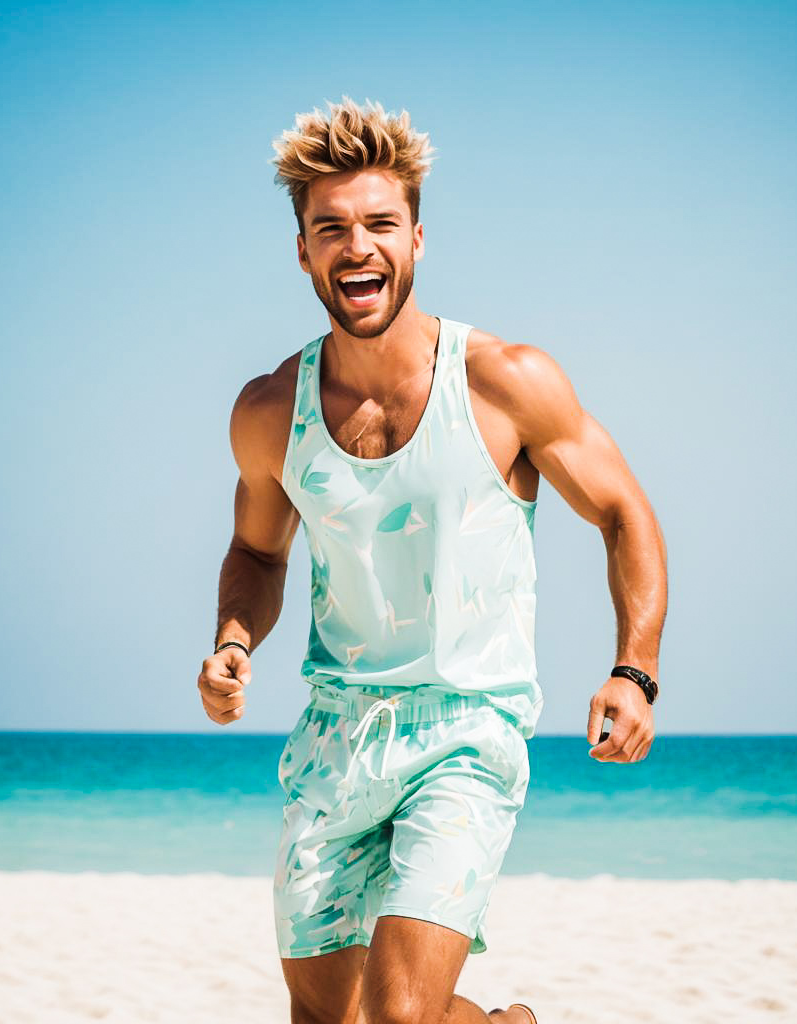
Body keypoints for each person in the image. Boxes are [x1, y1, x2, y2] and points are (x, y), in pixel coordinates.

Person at [198, 96, 668, 1024]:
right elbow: (257, 547)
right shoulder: (268, 411)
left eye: (380, 223)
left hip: (467, 729)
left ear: (418, 238)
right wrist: (233, 638)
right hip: (335, 735)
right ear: (302, 251)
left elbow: (622, 511)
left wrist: (635, 669)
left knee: (401, 1016)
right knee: (331, 1019)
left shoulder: (504, 382)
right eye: (330, 228)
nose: (356, 245)